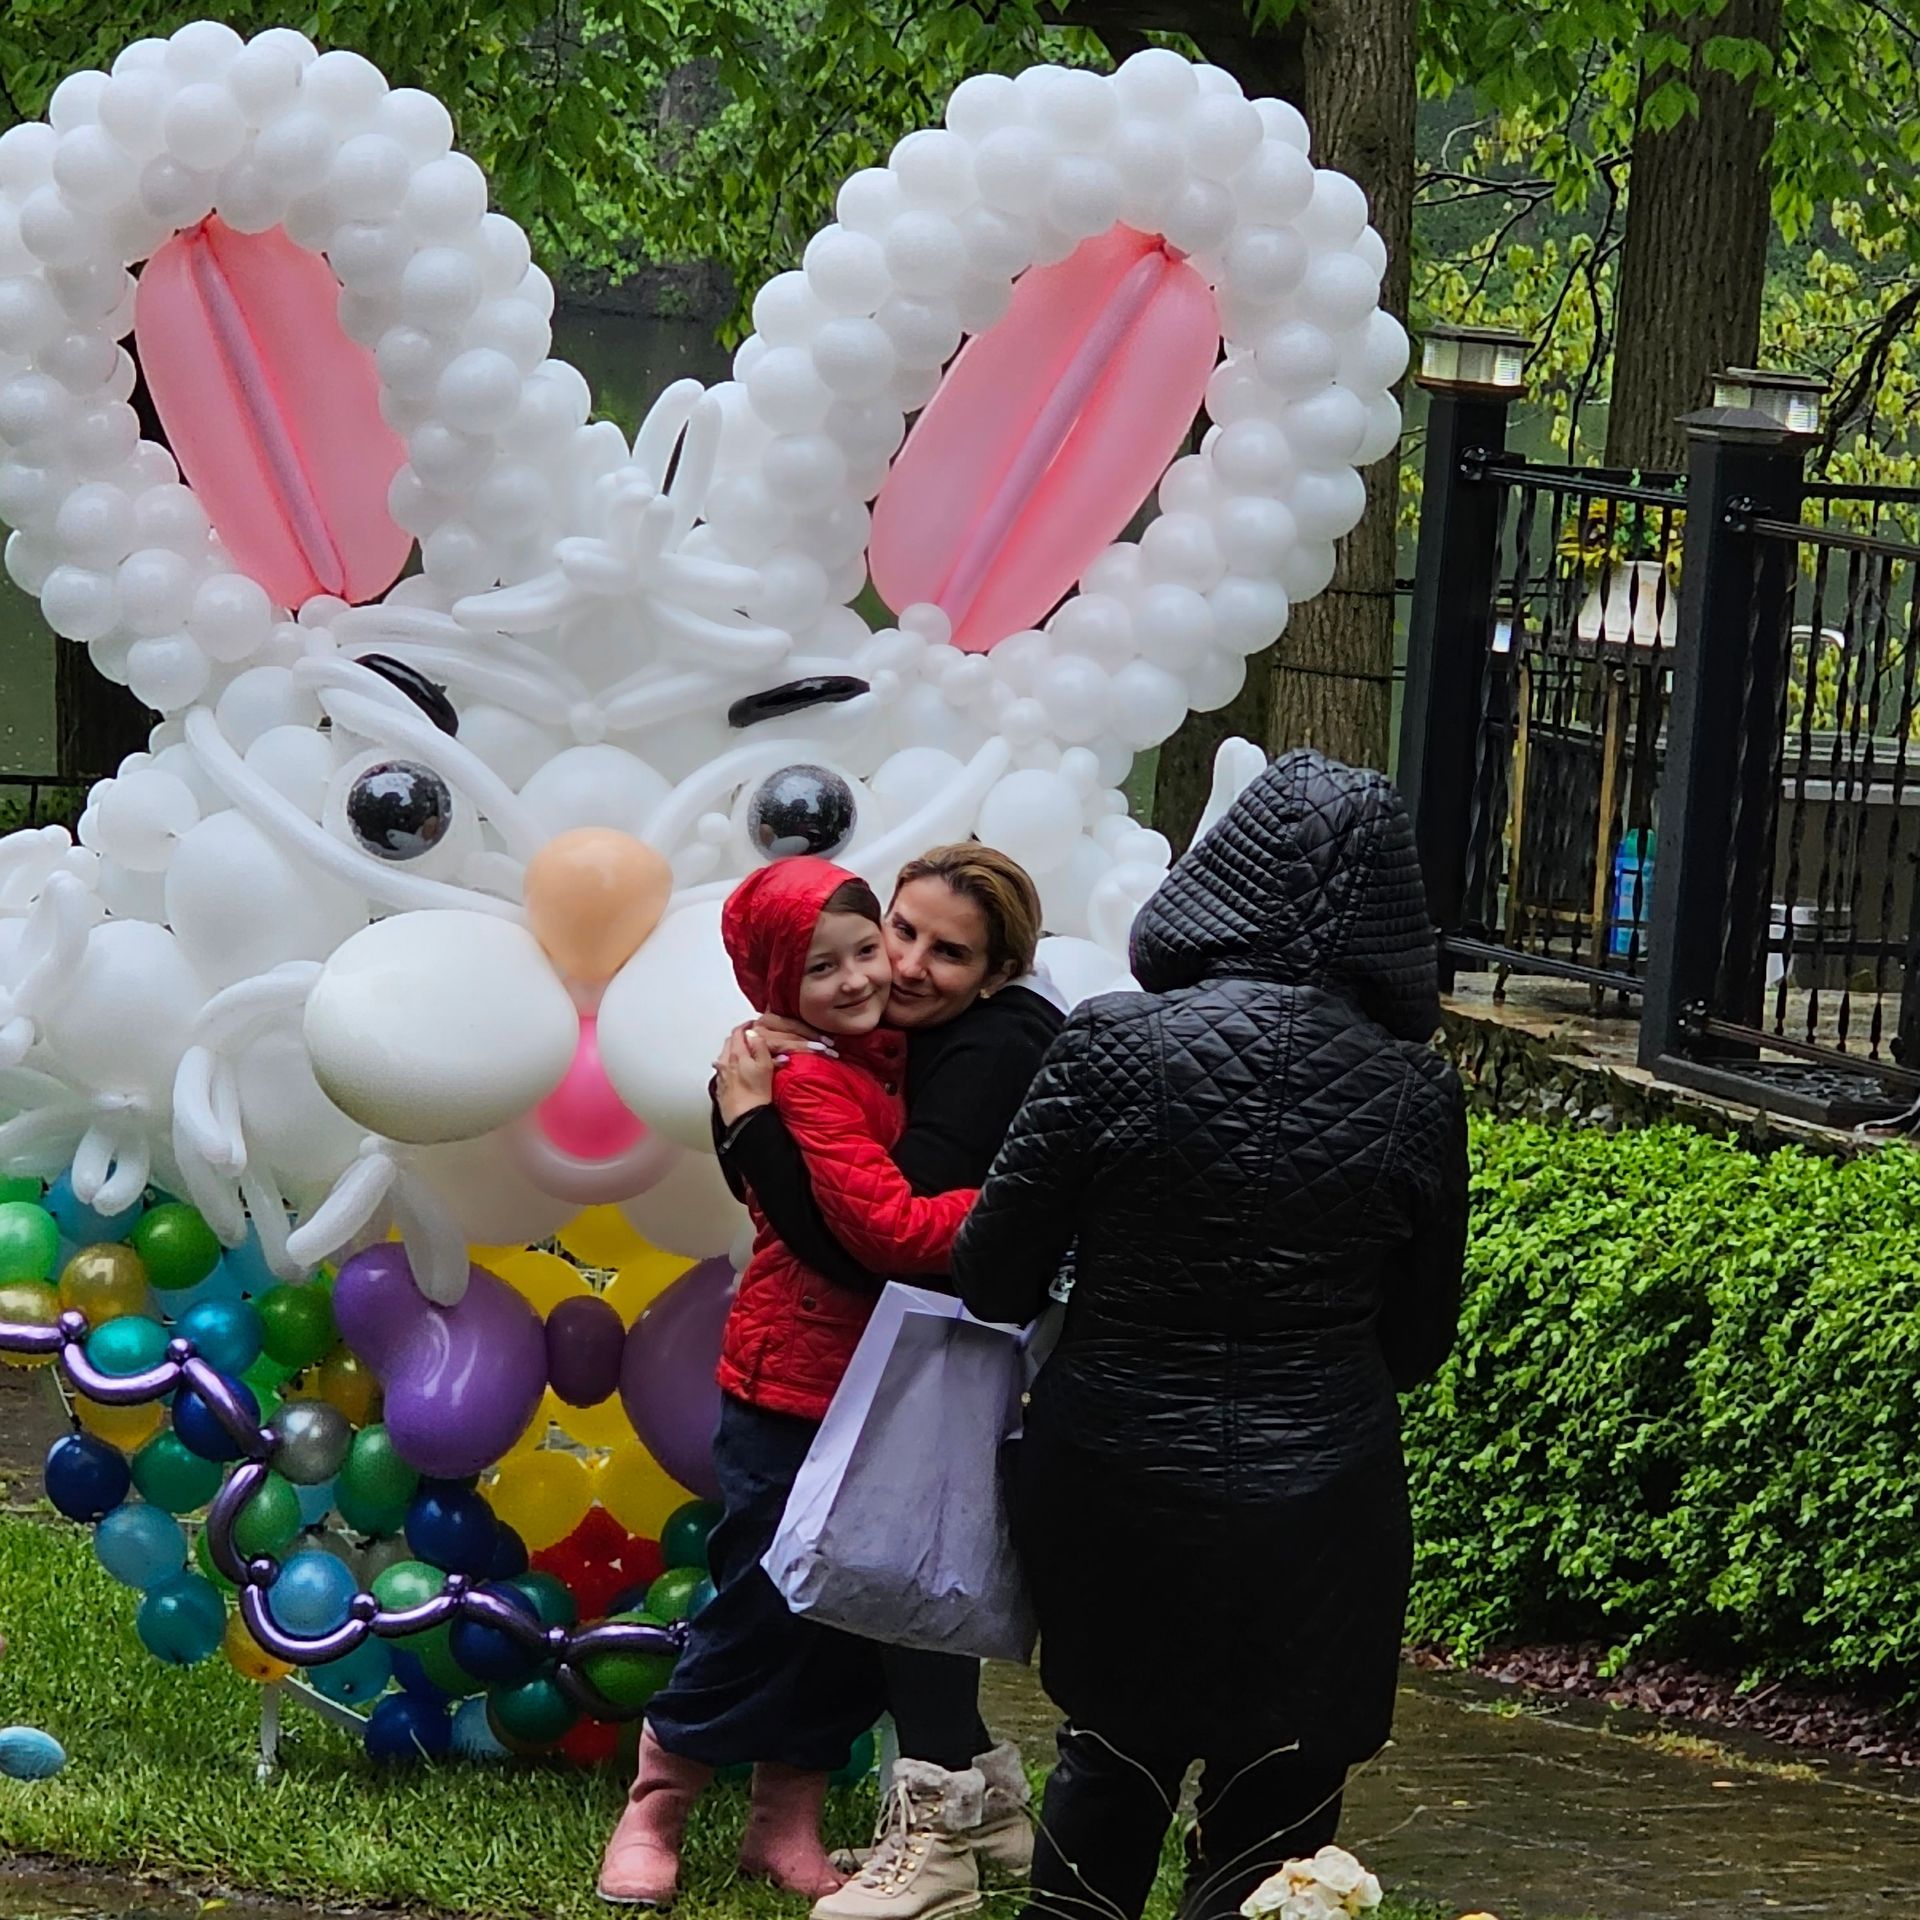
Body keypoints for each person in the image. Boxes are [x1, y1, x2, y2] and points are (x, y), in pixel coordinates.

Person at [950, 752, 1470, 1920]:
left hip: (1115, 1458)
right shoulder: (1414, 1092)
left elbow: (992, 1271)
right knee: (1282, 1794)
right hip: (1324, 1481)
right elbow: (1419, 1336)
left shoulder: (1107, 1044)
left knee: (1113, 1755)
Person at [599, 857, 984, 1907]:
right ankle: (656, 1803)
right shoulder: (804, 1076)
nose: (863, 976)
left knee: (849, 1621)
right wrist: (1016, 1209)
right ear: (775, 982)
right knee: (762, 1604)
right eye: (823, 967)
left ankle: (787, 1821)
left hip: (882, 1379)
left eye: (870, 948)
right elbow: (881, 1227)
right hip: (793, 1380)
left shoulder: (886, 1055)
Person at [710, 844, 1063, 1920]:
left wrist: (759, 1129)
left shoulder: (991, 1046)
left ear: (997, 973)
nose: (905, 964)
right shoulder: (895, 1041)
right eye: (899, 929)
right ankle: (974, 1799)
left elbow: (885, 1238)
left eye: (947, 952)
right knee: (902, 1581)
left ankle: (937, 1842)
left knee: (908, 1586)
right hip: (911, 1348)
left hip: (947, 1348)